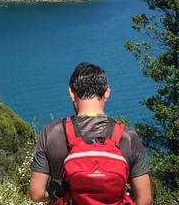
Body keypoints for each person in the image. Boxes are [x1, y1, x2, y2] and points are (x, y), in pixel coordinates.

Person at [28, 62, 152, 205]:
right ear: (107, 93)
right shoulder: (128, 137)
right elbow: (144, 200)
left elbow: (36, 194)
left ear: (71, 93)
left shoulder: (51, 133)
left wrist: (58, 194)